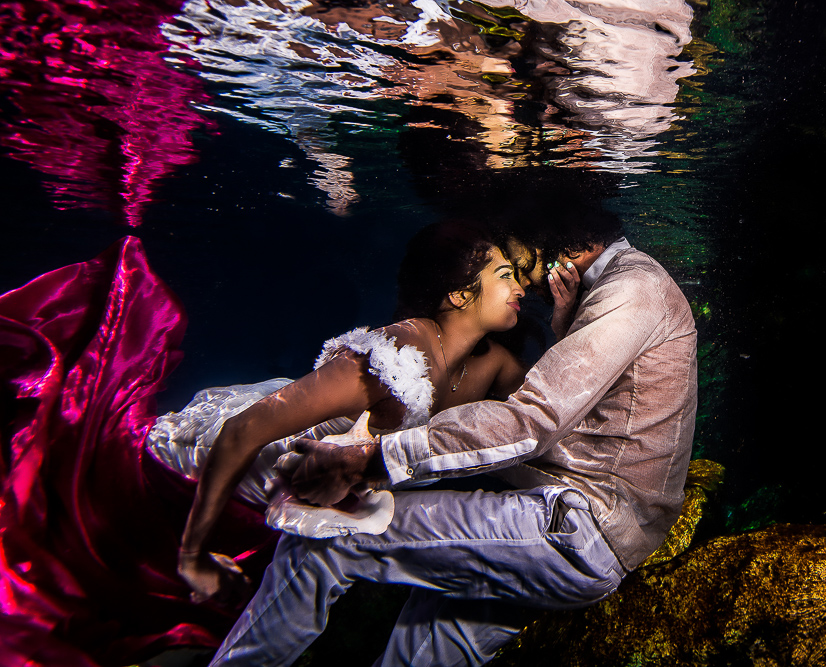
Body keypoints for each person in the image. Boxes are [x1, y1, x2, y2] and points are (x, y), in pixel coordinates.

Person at [0, 221, 546, 667]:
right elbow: (246, 430)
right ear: (459, 294)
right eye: (505, 276)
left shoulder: (486, 363)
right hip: (214, 463)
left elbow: (542, 412)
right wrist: (193, 555)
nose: (520, 286)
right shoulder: (399, 354)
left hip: (282, 503)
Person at [205, 212, 698, 666]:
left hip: (572, 527)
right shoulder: (625, 286)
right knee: (422, 654)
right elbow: (599, 420)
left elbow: (529, 424)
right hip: (589, 533)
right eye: (507, 271)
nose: (526, 283)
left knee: (327, 542)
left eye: (524, 264)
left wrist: (371, 460)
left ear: (564, 240)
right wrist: (567, 326)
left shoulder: (632, 290)